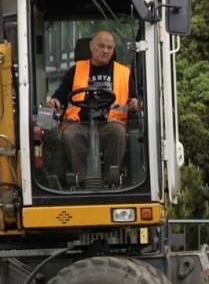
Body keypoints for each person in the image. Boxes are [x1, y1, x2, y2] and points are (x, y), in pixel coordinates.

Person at [46, 29, 139, 179]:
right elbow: (60, 95)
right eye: (101, 46)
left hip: (110, 124)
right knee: (69, 134)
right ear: (91, 46)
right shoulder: (75, 70)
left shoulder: (124, 73)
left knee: (118, 133)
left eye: (109, 48)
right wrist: (55, 101)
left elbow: (134, 98)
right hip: (80, 124)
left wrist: (136, 102)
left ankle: (112, 179)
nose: (105, 51)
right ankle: (82, 180)